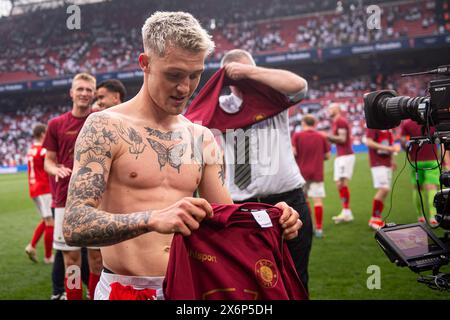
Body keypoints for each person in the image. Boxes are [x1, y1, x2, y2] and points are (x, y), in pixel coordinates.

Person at [62, 11, 301, 300]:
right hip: (125, 290)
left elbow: (223, 219)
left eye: (195, 75)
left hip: (190, 287)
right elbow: (75, 224)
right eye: (174, 75)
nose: (185, 88)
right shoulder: (105, 127)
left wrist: (273, 219)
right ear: (145, 63)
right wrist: (151, 219)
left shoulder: (200, 137)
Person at [207, 49, 312, 291]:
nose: (244, 81)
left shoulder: (274, 99)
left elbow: (299, 86)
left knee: (295, 276)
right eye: (236, 77)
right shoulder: (222, 107)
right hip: (243, 204)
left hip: (288, 198)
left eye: (247, 73)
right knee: (250, 282)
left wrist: (248, 71)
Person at [43, 72, 103, 300]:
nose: (84, 93)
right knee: (71, 260)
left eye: (89, 90)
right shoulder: (56, 124)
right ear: (72, 92)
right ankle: (75, 296)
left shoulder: (102, 118)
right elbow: (48, 160)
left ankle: (95, 295)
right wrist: (55, 168)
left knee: (97, 258)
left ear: (94, 93)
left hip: (97, 198)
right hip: (64, 199)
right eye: (80, 89)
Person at [292, 114, 331, 238]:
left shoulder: (297, 136)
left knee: (304, 200)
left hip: (301, 173)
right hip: (317, 172)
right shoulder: (321, 137)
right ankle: (319, 228)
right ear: (314, 124)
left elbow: (293, 152)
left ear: (303, 123)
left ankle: (308, 227)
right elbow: (327, 156)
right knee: (318, 201)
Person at [400, 119, 439, 226]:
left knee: (417, 188)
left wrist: (409, 149)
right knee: (432, 187)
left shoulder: (407, 123)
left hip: (416, 160)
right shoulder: (432, 120)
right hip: (432, 159)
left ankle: (420, 216)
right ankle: (433, 217)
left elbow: (403, 143)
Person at [25, 124, 54, 264]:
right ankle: (48, 257)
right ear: (43, 134)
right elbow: (51, 166)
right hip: (44, 188)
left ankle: (32, 246)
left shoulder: (31, 150)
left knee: (46, 219)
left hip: (34, 189)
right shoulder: (43, 151)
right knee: (50, 222)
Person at [325, 103, 355, 223]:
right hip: (341, 155)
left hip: (346, 155)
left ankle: (347, 212)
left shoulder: (341, 121)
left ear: (337, 109)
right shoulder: (336, 122)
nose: (329, 111)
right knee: (339, 184)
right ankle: (346, 211)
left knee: (342, 183)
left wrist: (327, 136)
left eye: (330, 109)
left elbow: (342, 139)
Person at [365, 128, 400, 230]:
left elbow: (390, 144)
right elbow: (369, 142)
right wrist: (389, 149)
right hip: (377, 162)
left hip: (386, 162)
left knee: (385, 190)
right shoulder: (373, 126)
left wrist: (392, 160)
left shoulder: (388, 129)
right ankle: (374, 219)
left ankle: (377, 218)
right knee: (384, 189)